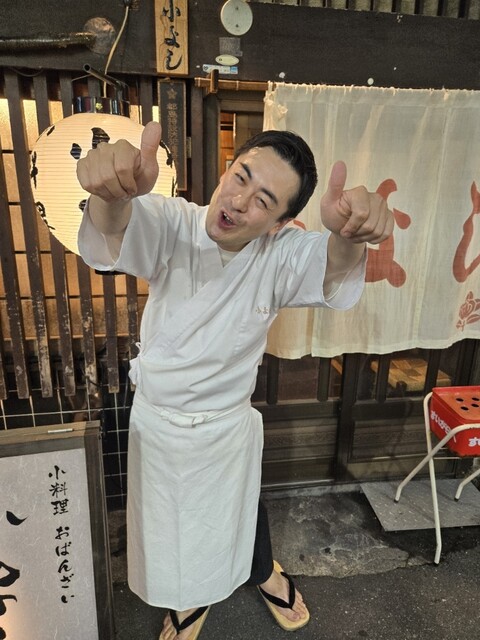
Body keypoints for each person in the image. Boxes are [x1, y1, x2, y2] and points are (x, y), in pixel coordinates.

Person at [76, 121, 393, 640]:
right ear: (227, 169)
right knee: (172, 529)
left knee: (234, 513)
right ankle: (190, 596)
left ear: (280, 223)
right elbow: (115, 231)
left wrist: (349, 238)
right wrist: (111, 197)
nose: (241, 201)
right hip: (160, 424)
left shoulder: (280, 253)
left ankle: (263, 573)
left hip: (224, 428)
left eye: (264, 200)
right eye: (242, 176)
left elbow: (332, 266)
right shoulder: (174, 223)